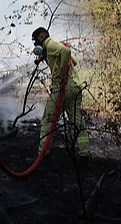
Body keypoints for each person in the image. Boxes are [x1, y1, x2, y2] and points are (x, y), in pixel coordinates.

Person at [31, 27, 89, 156]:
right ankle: (84, 151)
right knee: (78, 124)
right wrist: (46, 57)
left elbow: (66, 51)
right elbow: (73, 61)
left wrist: (61, 72)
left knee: (48, 120)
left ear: (42, 36)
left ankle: (43, 153)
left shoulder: (50, 44)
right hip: (75, 87)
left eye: (36, 41)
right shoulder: (53, 46)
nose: (37, 45)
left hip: (62, 89)